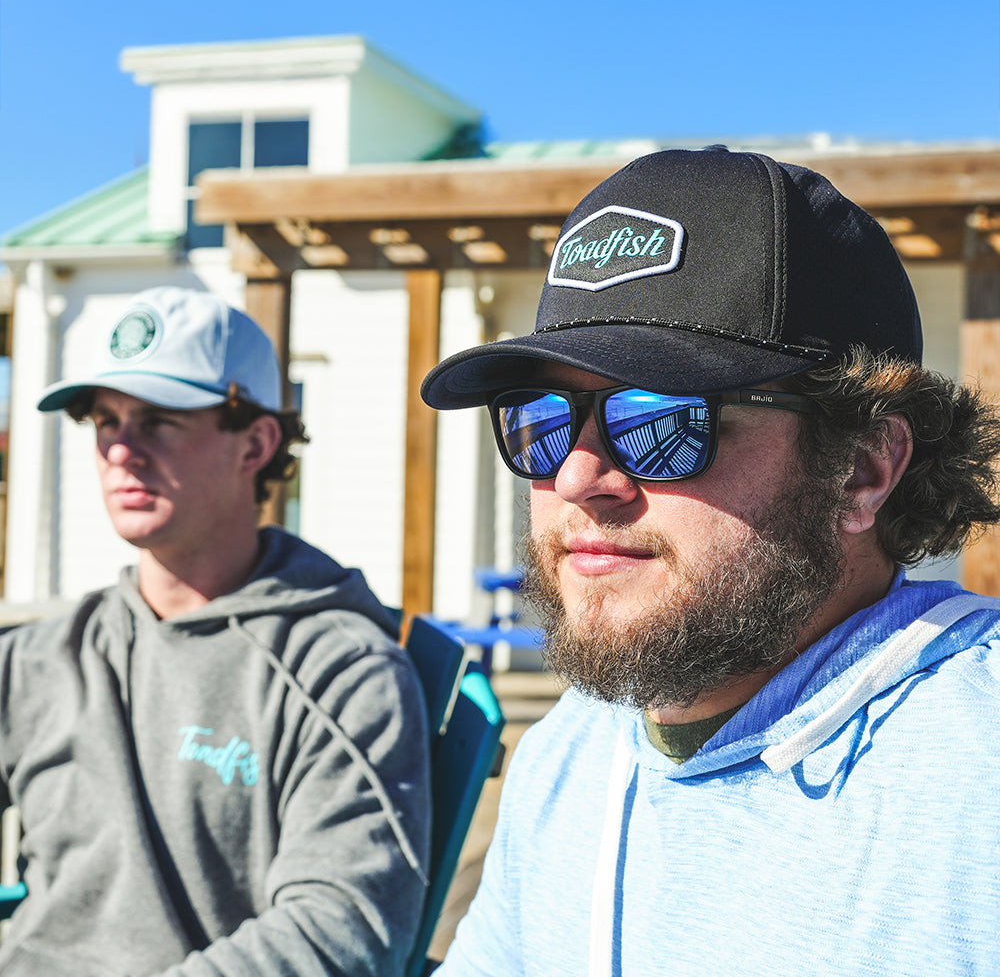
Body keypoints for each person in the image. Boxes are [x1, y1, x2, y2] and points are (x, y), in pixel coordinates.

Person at [421, 146, 1000, 976]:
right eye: (543, 419)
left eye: (664, 418)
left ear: (865, 468)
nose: (579, 475)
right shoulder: (570, 754)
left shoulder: (977, 780)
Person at [0, 286, 430, 976]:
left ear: (255, 443)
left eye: (159, 421)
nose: (119, 450)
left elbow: (342, 927)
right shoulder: (42, 657)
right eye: (104, 420)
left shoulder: (339, 670)